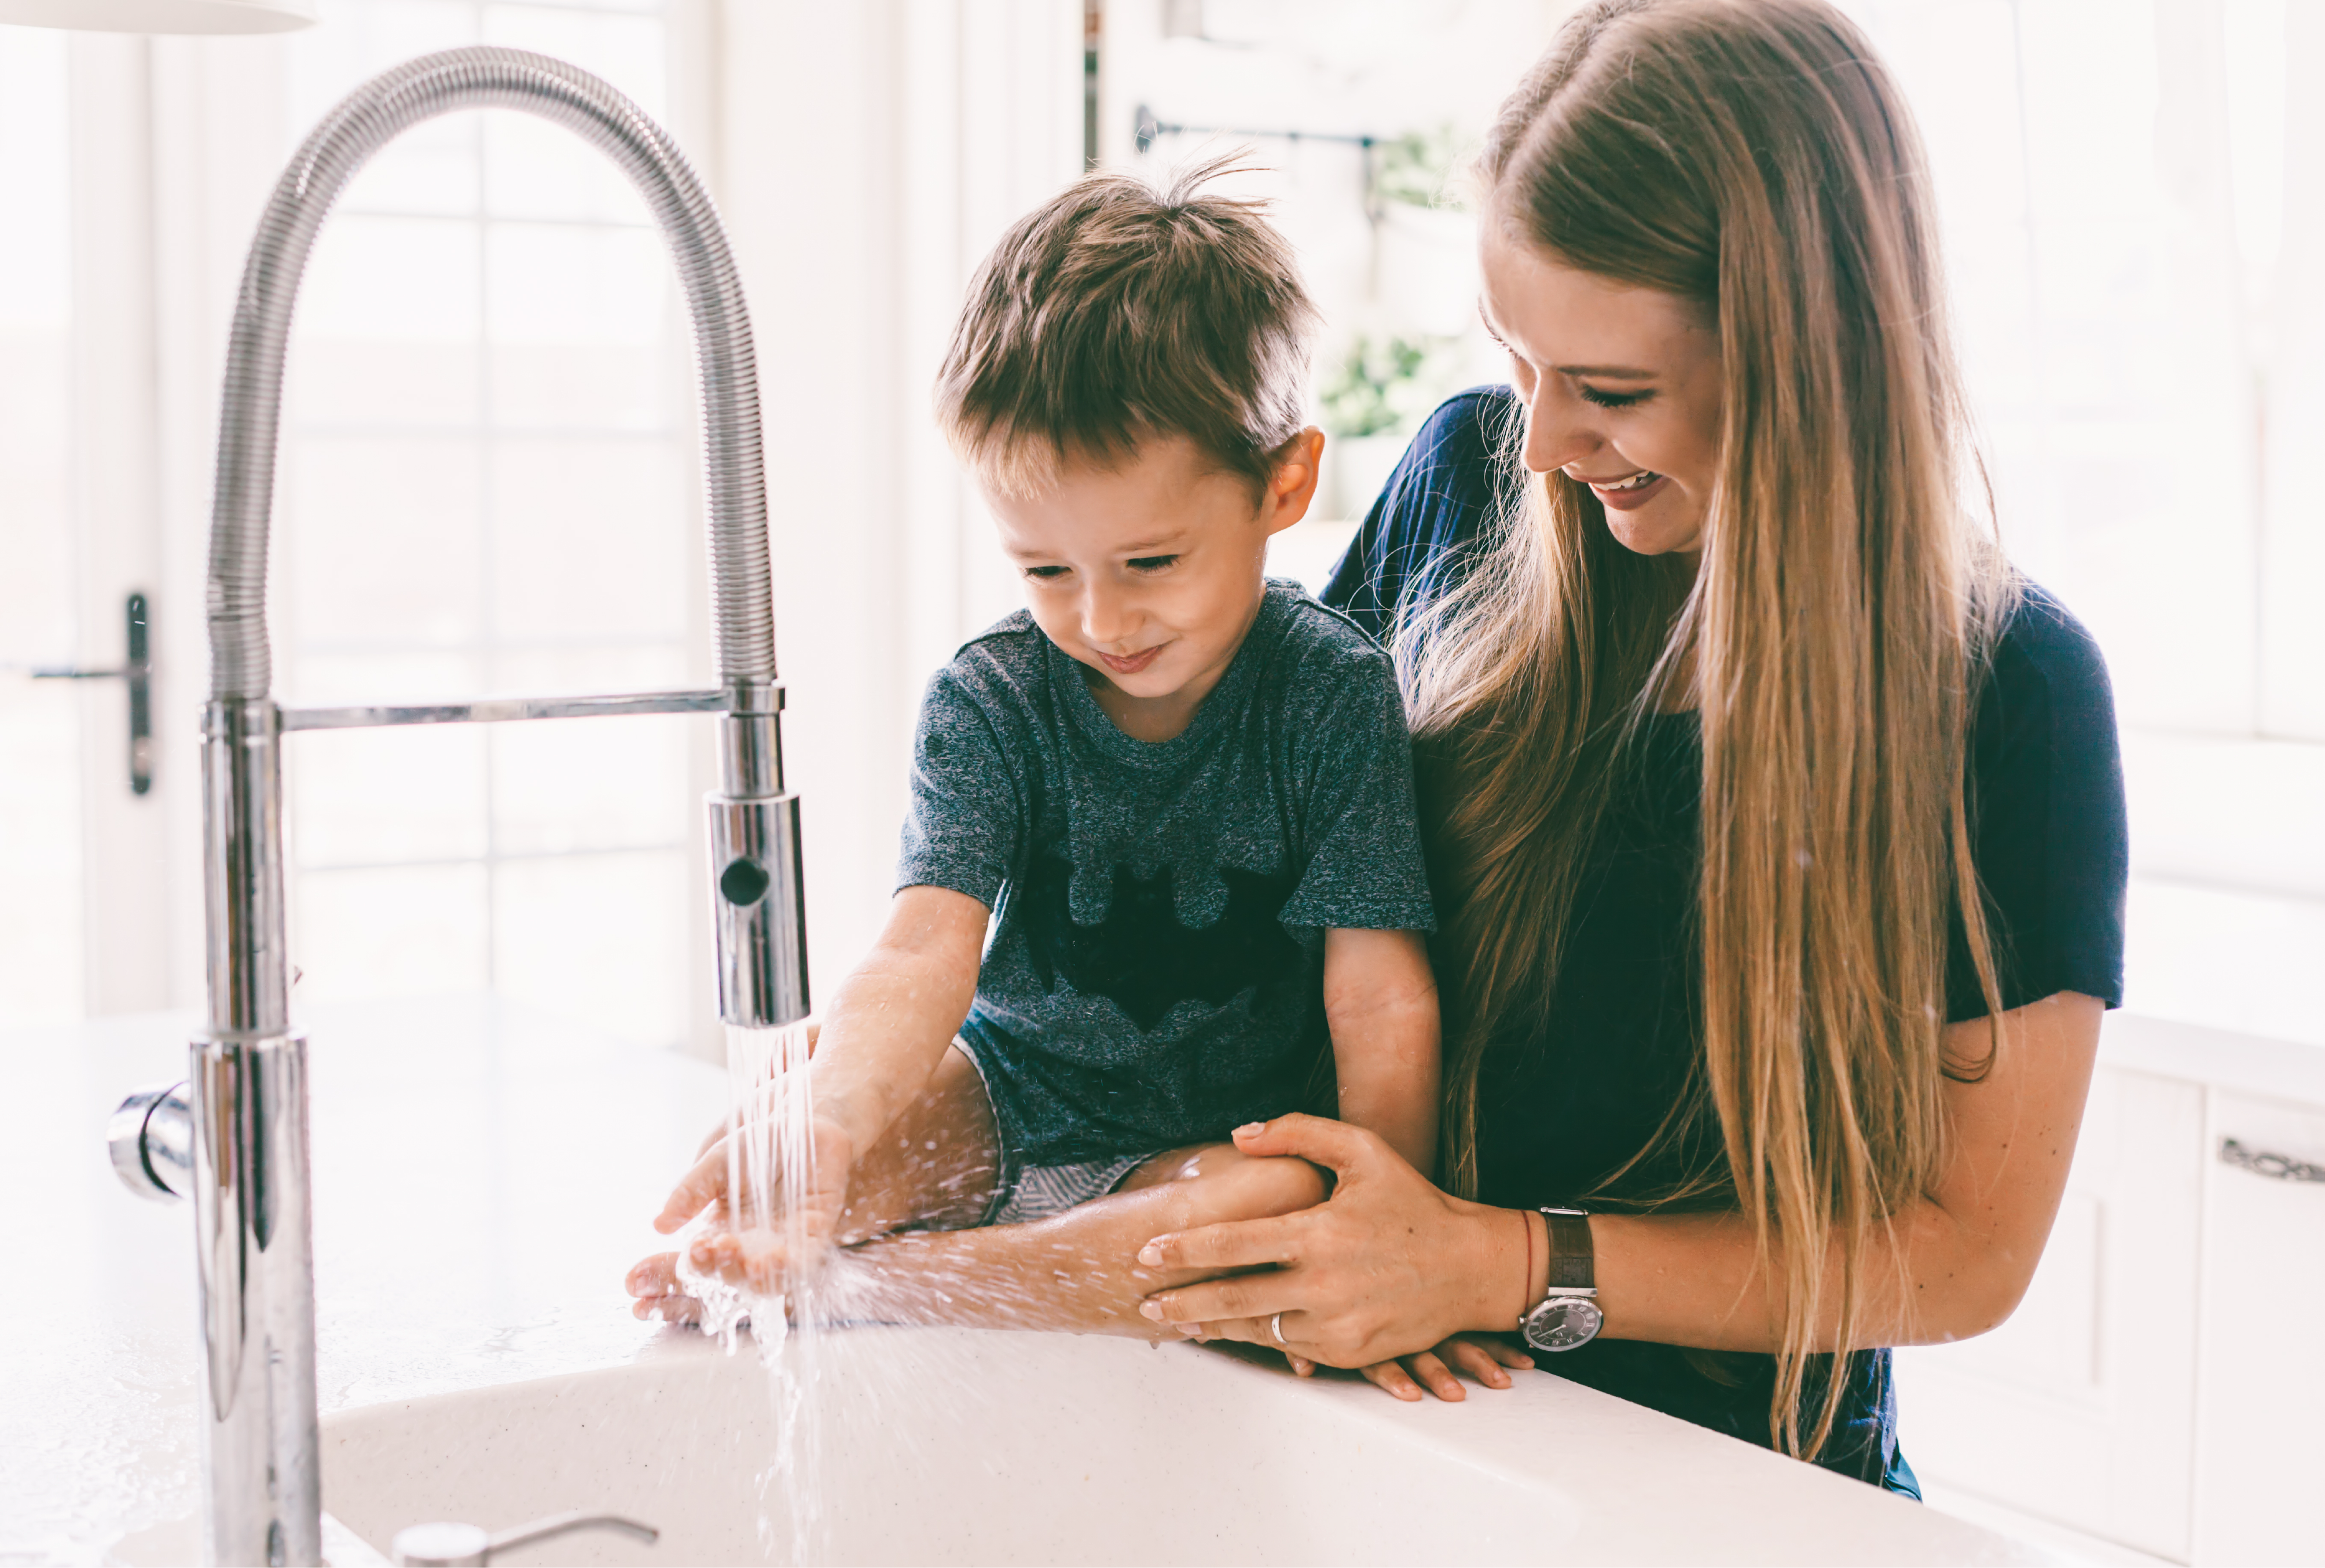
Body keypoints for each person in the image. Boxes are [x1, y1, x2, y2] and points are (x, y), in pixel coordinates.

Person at [1127, 0, 2127, 1493]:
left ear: (1807, 364)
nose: (1539, 440)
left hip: (1737, 1492)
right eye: (1520, 361)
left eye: (1611, 392)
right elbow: (1239, 895)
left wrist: (1499, 1263)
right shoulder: (1462, 485)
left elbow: (1962, 1251)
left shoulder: (2011, 699)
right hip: (1388, 1429)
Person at [626, 164, 1442, 1336]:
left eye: (1150, 563)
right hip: (1005, 1097)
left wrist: (1390, 1224)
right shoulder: (991, 696)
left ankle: (900, 1286)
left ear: (1284, 483)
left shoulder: (1330, 696)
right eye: (1047, 570)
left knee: (1269, 1206)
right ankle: (775, 1247)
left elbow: (1378, 994)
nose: (1104, 622)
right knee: (799, 1126)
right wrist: (833, 1119)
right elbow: (919, 955)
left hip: (1216, 1146)